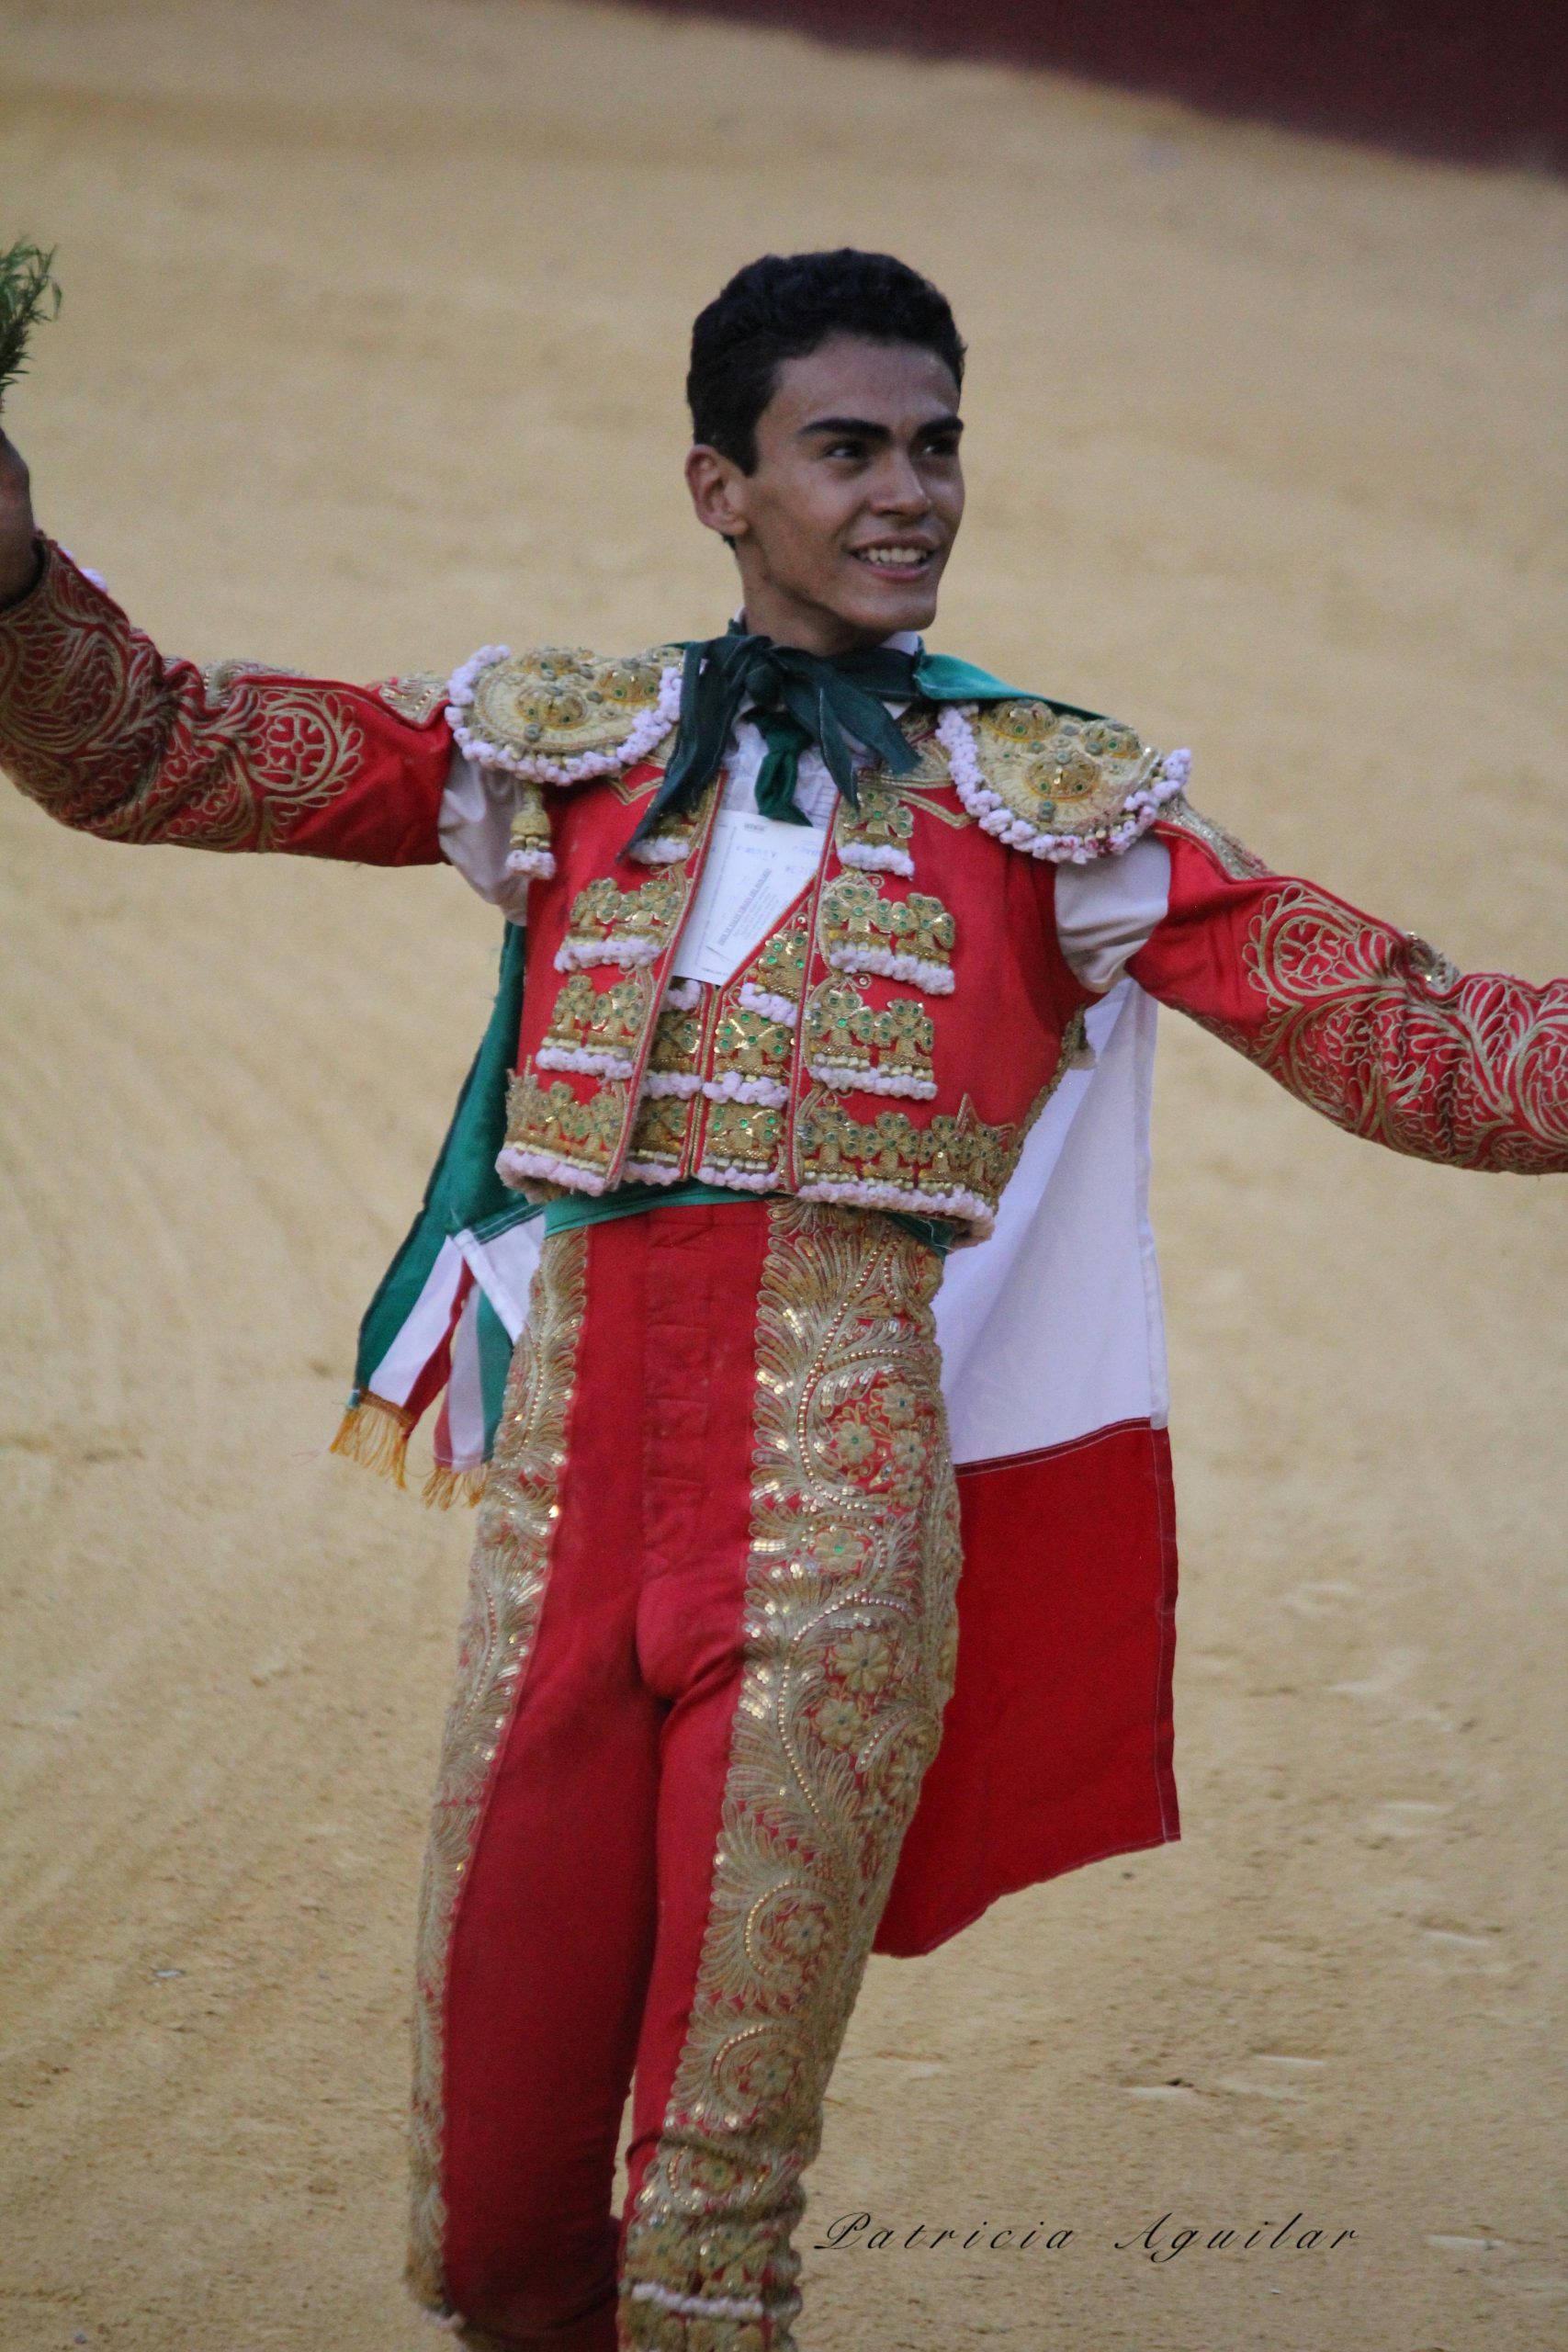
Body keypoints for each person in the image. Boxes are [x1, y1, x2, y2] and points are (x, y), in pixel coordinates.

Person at [0, 248, 1562, 2352]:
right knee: (492, 2238)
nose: (906, 492)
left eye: (933, 446)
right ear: (717, 486)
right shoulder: (569, 744)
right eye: (846, 449)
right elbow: (163, 754)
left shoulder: (1054, 801)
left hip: (825, 1549)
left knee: (703, 2231)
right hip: (559, 1539)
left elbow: (1416, 1046)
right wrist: (16, 581)